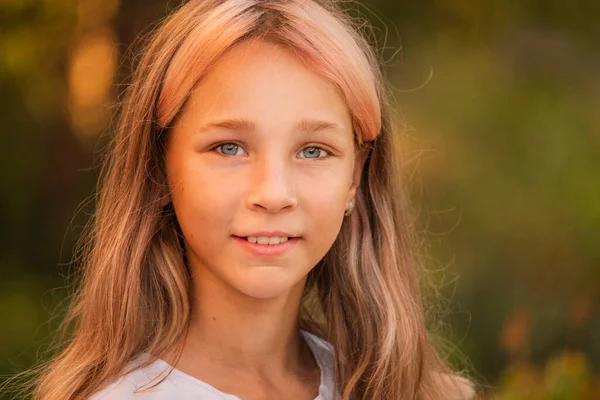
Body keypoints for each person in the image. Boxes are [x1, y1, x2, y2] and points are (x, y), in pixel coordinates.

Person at [14, 0, 476, 399]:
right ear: (160, 168)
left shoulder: (407, 391)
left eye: (314, 150)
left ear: (354, 177)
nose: (273, 194)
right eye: (229, 147)